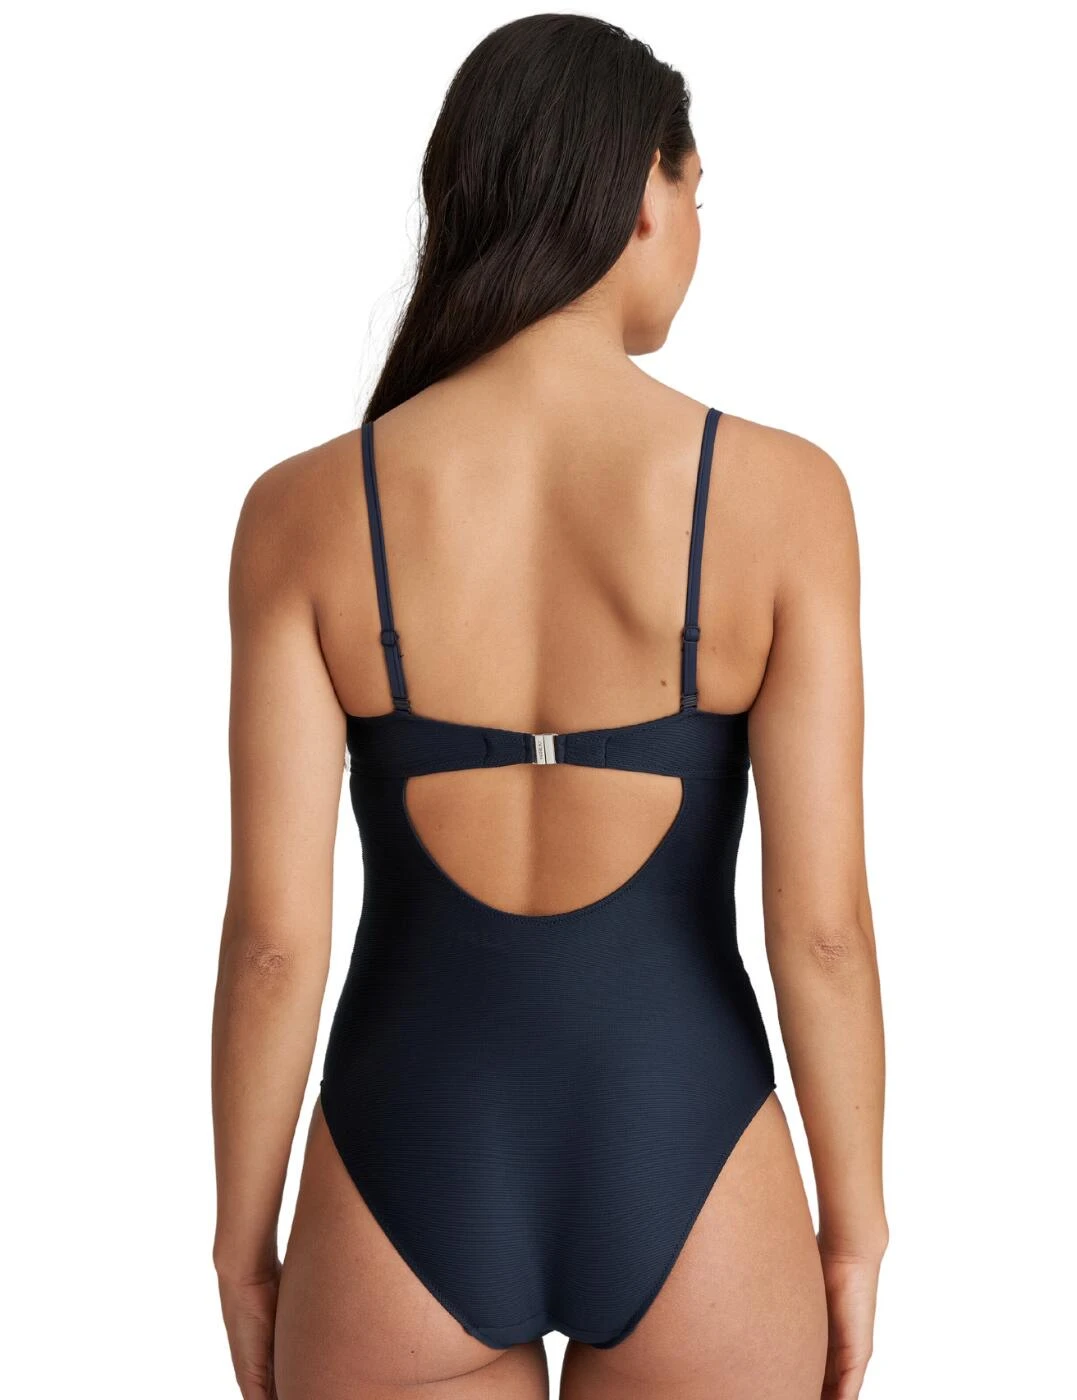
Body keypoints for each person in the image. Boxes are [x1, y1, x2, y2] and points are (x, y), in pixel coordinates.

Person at [211, 14, 887, 1400]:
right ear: (646, 192)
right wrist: (856, 1231)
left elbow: (275, 944)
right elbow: (820, 933)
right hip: (695, 1161)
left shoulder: (304, 511)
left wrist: (241, 1243)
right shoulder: (783, 498)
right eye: (699, 193)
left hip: (403, 1168)